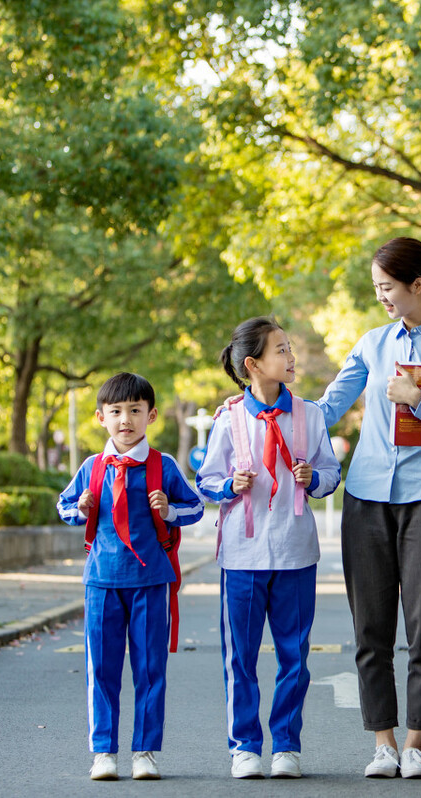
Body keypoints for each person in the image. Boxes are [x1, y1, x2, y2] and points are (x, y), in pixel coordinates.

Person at [315, 237, 421, 779]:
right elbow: (326, 408)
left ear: (418, 284)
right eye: (376, 289)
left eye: (387, 288)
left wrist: (419, 401)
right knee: (371, 629)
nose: (382, 297)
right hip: (365, 498)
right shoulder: (371, 343)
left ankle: (416, 745)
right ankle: (382, 743)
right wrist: (257, 402)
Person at [195, 317, 342, 780]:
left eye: (290, 348)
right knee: (240, 655)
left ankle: (287, 746)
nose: (291, 357)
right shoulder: (228, 418)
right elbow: (207, 480)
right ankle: (244, 746)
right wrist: (228, 485)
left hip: (296, 551)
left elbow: (331, 472)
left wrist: (313, 478)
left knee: (293, 656)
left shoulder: (311, 415)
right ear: (253, 364)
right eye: (281, 350)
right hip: (242, 553)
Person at [57, 372, 204, 781]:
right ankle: (103, 751)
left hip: (151, 582)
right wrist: (81, 509)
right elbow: (64, 505)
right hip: (102, 581)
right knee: (101, 669)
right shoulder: (92, 467)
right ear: (101, 417)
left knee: (149, 669)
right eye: (117, 411)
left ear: (151, 415)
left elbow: (195, 508)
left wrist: (167, 510)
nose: (126, 419)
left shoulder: (164, 466)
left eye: (135, 411)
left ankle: (145, 752)